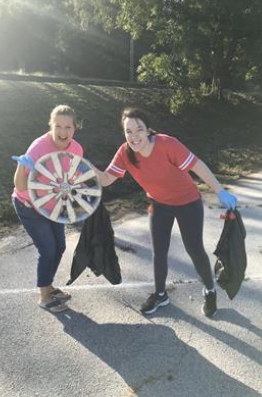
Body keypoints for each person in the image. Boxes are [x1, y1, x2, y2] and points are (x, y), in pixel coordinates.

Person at [94, 108, 239, 317]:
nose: (134, 136)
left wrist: (220, 191)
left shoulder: (167, 144)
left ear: (148, 130)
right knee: (159, 251)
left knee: (194, 249)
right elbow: (106, 179)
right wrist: (85, 168)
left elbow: (197, 166)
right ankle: (160, 295)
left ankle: (209, 290)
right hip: (159, 204)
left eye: (138, 130)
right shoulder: (125, 153)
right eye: (128, 131)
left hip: (188, 202)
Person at [12, 105, 84, 313]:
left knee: (60, 246)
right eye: (58, 126)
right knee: (47, 249)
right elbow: (21, 186)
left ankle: (48, 286)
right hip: (29, 205)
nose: (63, 132)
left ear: (75, 128)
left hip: (52, 204)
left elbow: (72, 178)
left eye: (68, 127)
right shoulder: (38, 148)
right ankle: (44, 297)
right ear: (51, 126)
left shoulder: (76, 149)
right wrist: (21, 165)